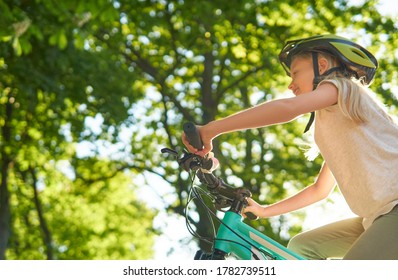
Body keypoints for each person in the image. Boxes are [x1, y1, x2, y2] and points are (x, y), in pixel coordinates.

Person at [182, 34, 398, 260]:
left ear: (322, 65)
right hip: (376, 217)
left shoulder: (340, 87)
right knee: (301, 247)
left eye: (295, 72)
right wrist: (264, 210)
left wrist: (210, 129)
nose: (290, 83)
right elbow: (320, 190)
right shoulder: (338, 124)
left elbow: (288, 108)